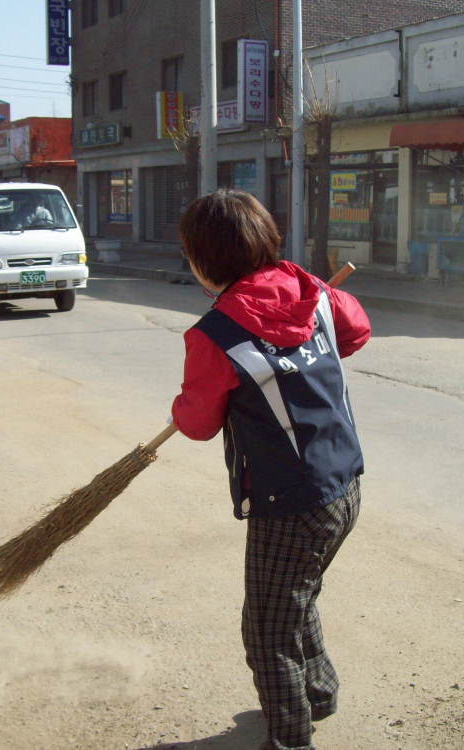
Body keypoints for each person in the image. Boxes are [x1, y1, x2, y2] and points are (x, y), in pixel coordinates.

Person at [171, 190, 371, 750]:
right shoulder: (313, 291)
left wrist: (181, 404)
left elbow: (197, 422)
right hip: (344, 487)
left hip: (290, 504)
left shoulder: (214, 334)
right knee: (293, 595)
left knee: (266, 627)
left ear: (204, 261)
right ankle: (320, 693)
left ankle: (289, 738)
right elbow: (355, 334)